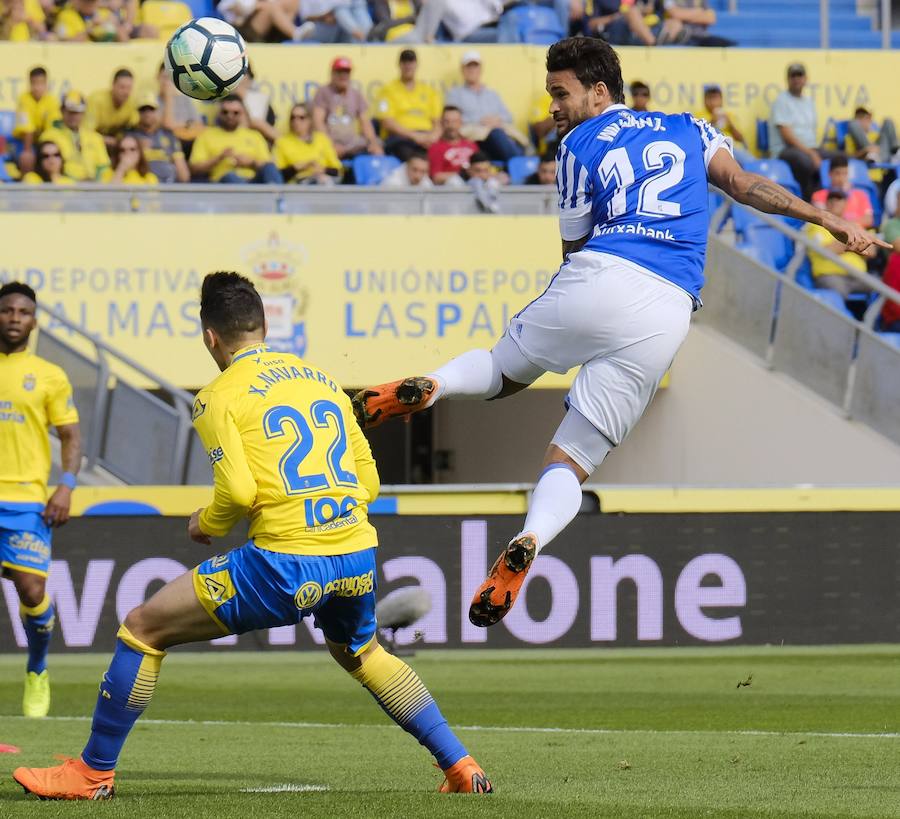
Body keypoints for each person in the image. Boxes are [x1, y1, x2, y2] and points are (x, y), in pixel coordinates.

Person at [352, 37, 885, 628]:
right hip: (668, 310)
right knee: (574, 458)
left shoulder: (577, 145)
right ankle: (530, 537)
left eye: (561, 93)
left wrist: (569, 312)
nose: (553, 106)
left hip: (604, 270)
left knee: (503, 373)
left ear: (598, 91)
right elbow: (745, 186)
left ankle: (431, 386)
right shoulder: (692, 128)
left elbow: (573, 247)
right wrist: (824, 217)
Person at [12, 271, 491, 800]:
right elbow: (369, 483)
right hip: (355, 553)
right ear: (264, 326)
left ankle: (92, 772)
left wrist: (207, 523)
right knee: (362, 652)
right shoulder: (322, 378)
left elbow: (238, 491)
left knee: (143, 627)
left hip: (285, 561)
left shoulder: (217, 396)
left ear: (209, 336)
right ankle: (461, 766)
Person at [0, 282, 81, 719]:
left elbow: (70, 435)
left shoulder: (49, 375)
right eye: (7, 310)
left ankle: (37, 669)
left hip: (26, 500)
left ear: (34, 320)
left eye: (23, 311)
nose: (14, 317)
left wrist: (66, 484)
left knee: (31, 590)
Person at [445, 51, 524, 164]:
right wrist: (482, 121)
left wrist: (496, 120)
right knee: (497, 134)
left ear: (480, 69)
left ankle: (518, 164)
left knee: (504, 136)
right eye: (469, 67)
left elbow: (508, 116)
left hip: (497, 137)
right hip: (475, 139)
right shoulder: (455, 94)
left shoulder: (492, 94)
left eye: (475, 66)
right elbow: (451, 120)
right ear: (462, 70)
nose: (472, 70)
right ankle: (519, 165)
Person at [769, 63, 830, 201]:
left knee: (837, 159)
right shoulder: (782, 100)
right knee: (805, 162)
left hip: (808, 149)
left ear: (806, 78)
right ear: (787, 79)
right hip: (786, 150)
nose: (796, 79)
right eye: (793, 76)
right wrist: (811, 153)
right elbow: (787, 136)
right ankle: (807, 204)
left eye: (799, 75)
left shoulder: (809, 102)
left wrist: (813, 152)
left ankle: (826, 203)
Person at [189, 96, 282, 184]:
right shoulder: (206, 135)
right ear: (219, 112)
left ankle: (278, 198)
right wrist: (218, 158)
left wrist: (251, 162)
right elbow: (194, 168)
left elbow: (267, 165)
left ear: (242, 114)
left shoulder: (254, 135)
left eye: (235, 112)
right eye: (225, 112)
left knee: (270, 168)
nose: (230, 116)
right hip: (223, 185)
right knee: (230, 176)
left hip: (253, 182)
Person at [805, 190, 874, 297]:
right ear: (826, 203)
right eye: (831, 199)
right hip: (830, 275)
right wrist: (856, 243)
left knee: (883, 287)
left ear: (846, 204)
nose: (835, 202)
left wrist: (844, 244)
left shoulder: (854, 225)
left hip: (858, 277)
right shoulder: (816, 225)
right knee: (837, 293)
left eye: (839, 200)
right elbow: (828, 250)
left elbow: (871, 251)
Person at [311, 56, 382, 160]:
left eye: (346, 72)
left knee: (379, 145)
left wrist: (372, 142)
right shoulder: (323, 92)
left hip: (352, 143)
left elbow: (365, 122)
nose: (343, 76)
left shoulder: (356, 94)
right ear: (332, 73)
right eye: (339, 72)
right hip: (332, 142)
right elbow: (318, 123)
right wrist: (330, 144)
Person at [375, 49, 442, 159]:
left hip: (426, 136)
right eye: (404, 62)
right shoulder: (387, 91)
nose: (408, 66)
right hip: (400, 138)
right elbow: (387, 122)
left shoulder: (429, 91)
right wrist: (415, 136)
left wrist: (433, 136)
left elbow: (437, 122)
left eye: (411, 62)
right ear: (399, 64)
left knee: (441, 155)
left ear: (416, 64)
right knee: (413, 159)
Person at [40, 91, 110, 182]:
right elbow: (48, 169)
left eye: (77, 112)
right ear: (62, 111)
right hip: (64, 188)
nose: (73, 116)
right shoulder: (49, 136)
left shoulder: (95, 137)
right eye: (70, 112)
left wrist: (96, 182)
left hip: (93, 188)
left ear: (83, 113)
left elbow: (104, 167)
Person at [127, 94, 189, 184]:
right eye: (143, 110)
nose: (147, 113)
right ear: (138, 113)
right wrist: (139, 148)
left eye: (151, 109)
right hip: (143, 186)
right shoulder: (131, 137)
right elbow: (126, 166)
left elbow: (183, 174)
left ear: (157, 112)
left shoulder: (169, 136)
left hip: (169, 186)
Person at [273, 102, 342, 184]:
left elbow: (337, 170)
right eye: (293, 117)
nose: (296, 121)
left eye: (301, 118)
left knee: (324, 180)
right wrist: (296, 168)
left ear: (310, 120)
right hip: (298, 182)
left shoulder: (322, 139)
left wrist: (322, 169)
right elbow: (277, 175)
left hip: (323, 178)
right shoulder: (282, 142)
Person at [14, 67, 61, 175]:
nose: (37, 88)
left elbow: (52, 130)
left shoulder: (52, 101)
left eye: (40, 83)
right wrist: (28, 151)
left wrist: (46, 149)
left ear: (46, 84)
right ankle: (26, 183)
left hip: (44, 141)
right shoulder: (23, 99)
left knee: (53, 155)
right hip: (24, 142)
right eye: (33, 83)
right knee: (27, 157)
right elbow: (27, 130)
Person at [696, 84, 753, 166]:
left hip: (732, 147)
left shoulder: (729, 115)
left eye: (716, 98)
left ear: (721, 99)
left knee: (748, 160)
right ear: (705, 100)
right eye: (710, 98)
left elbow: (740, 138)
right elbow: (698, 138)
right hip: (711, 149)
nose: (713, 102)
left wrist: (730, 125)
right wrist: (712, 121)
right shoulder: (699, 116)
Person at [811, 154, 873, 229]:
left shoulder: (861, 195)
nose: (841, 178)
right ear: (829, 174)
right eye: (837, 173)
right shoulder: (818, 196)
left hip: (856, 235)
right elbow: (824, 219)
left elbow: (868, 220)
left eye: (845, 173)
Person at [86, 68, 139, 149]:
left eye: (129, 88)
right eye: (122, 87)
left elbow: (136, 126)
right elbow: (86, 133)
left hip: (115, 145)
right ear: (113, 85)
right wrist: (110, 141)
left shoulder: (131, 103)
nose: (126, 92)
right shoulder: (97, 100)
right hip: (92, 145)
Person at [428, 106, 479, 185]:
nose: (451, 126)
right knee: (455, 181)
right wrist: (461, 175)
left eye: (455, 121)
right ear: (441, 123)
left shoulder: (471, 145)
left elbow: (482, 168)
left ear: (461, 122)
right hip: (452, 188)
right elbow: (436, 177)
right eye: (447, 121)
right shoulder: (436, 147)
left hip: (474, 183)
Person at [54, 0, 129, 41]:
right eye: (86, 1)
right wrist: (90, 29)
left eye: (93, 1)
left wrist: (115, 27)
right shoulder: (66, 15)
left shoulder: (105, 14)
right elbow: (64, 45)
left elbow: (125, 41)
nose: (90, 4)